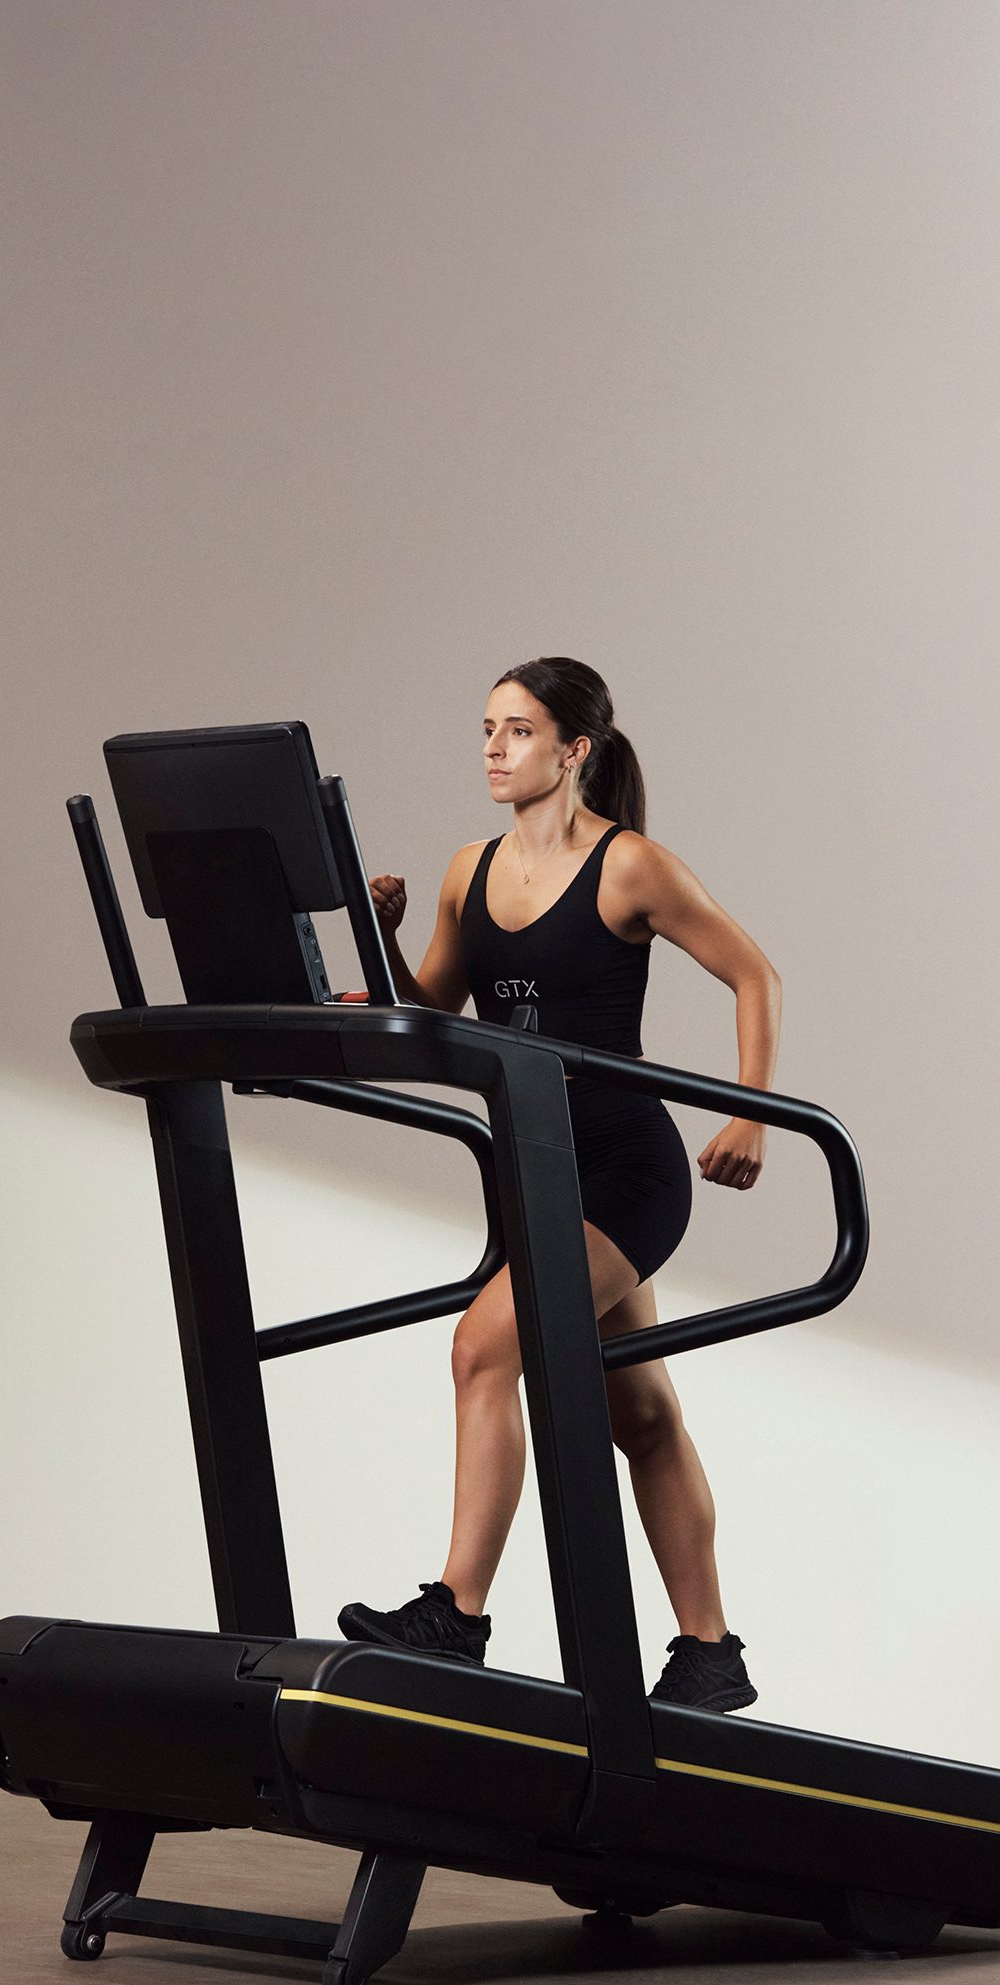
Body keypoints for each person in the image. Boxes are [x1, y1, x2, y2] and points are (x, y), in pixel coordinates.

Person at [337, 657, 781, 1713]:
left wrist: (750, 1111)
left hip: (625, 1169)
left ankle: (456, 1609)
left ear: (571, 749)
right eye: (486, 728)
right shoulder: (464, 869)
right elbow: (436, 1013)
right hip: (533, 1170)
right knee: (640, 1412)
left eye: (519, 730)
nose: (494, 747)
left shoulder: (629, 868)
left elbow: (752, 971)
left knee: (480, 1346)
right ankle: (709, 1650)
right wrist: (389, 940)